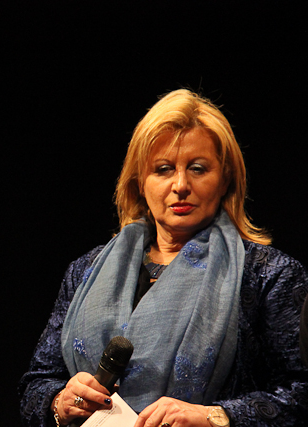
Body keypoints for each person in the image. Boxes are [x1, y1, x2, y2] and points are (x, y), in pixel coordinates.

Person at [19, 89, 308, 427]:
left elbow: (301, 394)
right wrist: (60, 401)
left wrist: (214, 416)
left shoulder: (268, 275)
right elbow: (36, 385)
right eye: (163, 169)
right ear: (139, 181)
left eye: (198, 168)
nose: (180, 185)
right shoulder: (85, 270)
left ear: (225, 178)